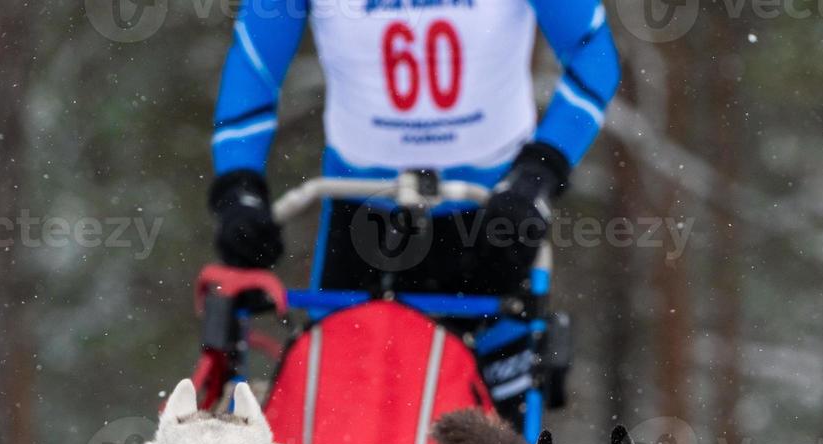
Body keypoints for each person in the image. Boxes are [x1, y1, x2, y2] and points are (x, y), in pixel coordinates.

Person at [208, 0, 621, 299]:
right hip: (360, 215)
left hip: (492, 217)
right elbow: (254, 67)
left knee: (489, 418)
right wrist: (238, 190)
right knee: (338, 407)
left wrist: (536, 175)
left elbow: (594, 55)